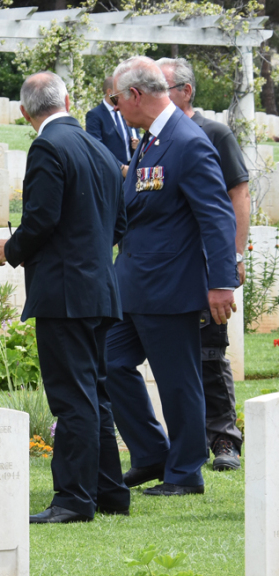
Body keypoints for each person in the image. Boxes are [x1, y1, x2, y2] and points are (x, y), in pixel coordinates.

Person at [0, 71, 129, 524]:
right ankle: (109, 491)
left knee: (72, 398)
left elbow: (41, 219)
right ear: (67, 101)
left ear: (24, 112)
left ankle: (73, 499)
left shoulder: (47, 146)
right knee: (96, 393)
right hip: (100, 288)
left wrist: (9, 249)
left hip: (65, 294)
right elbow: (119, 224)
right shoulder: (102, 149)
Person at [105, 56, 238, 497]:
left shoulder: (187, 141)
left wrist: (221, 283)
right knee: (109, 363)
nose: (114, 107)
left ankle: (184, 472)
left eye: (116, 99)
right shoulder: (152, 138)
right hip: (133, 283)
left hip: (169, 286)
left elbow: (217, 216)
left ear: (135, 95)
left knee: (178, 381)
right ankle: (151, 454)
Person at [155, 57, 247, 472]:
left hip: (207, 264)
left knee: (211, 352)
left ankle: (224, 438)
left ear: (186, 91)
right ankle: (183, 441)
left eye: (162, 87)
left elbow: (238, 196)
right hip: (168, 268)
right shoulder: (154, 138)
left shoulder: (213, 133)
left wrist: (235, 256)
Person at [85, 76, 140, 177]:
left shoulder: (126, 110)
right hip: (111, 173)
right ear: (110, 92)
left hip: (133, 170)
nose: (124, 95)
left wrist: (138, 144)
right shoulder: (95, 115)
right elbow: (96, 148)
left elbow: (136, 134)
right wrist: (121, 168)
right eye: (119, 91)